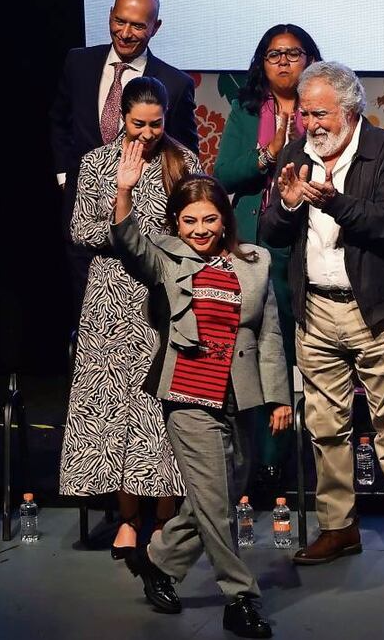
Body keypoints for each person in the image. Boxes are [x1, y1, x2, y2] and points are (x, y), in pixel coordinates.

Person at [260, 61, 384, 571]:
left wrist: (335, 202)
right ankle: (338, 527)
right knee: (324, 425)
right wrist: (288, 206)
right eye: (305, 113)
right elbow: (271, 232)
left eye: (321, 113)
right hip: (316, 309)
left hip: (377, 311)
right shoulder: (295, 155)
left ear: (351, 109)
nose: (311, 123)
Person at [115, 175, 290, 638]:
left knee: (219, 498)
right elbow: (130, 244)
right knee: (217, 504)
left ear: (224, 220)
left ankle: (157, 561)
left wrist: (278, 397)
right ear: (176, 222)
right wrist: (124, 193)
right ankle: (240, 597)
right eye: (189, 220)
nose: (199, 229)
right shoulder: (166, 256)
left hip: (240, 396)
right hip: (188, 397)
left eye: (209, 219)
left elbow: (269, 332)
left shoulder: (254, 262)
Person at [58, 76, 200, 559]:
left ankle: (163, 519)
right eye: (139, 123)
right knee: (116, 412)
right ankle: (126, 518)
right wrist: (125, 215)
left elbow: (196, 228)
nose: (147, 133)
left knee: (159, 412)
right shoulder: (96, 163)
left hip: (163, 296)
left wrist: (153, 245)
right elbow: (81, 229)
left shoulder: (183, 160)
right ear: (122, 117)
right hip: (111, 300)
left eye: (156, 124)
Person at [214, 23, 322, 490]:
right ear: (262, 62)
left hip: (311, 237)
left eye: (293, 53)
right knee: (261, 347)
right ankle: (266, 459)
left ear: (309, 60)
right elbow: (224, 174)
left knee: (307, 345)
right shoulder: (246, 110)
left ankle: (315, 453)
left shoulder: (323, 106)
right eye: (274, 54)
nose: (283, 62)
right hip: (256, 243)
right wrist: (267, 155)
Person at [49, 0, 198, 322]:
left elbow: (185, 153)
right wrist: (66, 178)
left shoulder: (175, 83)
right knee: (86, 315)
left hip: (150, 238)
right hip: (87, 220)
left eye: (138, 25)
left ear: (155, 27)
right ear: (109, 16)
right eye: (119, 21)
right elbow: (59, 120)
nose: (125, 33)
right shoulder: (78, 62)